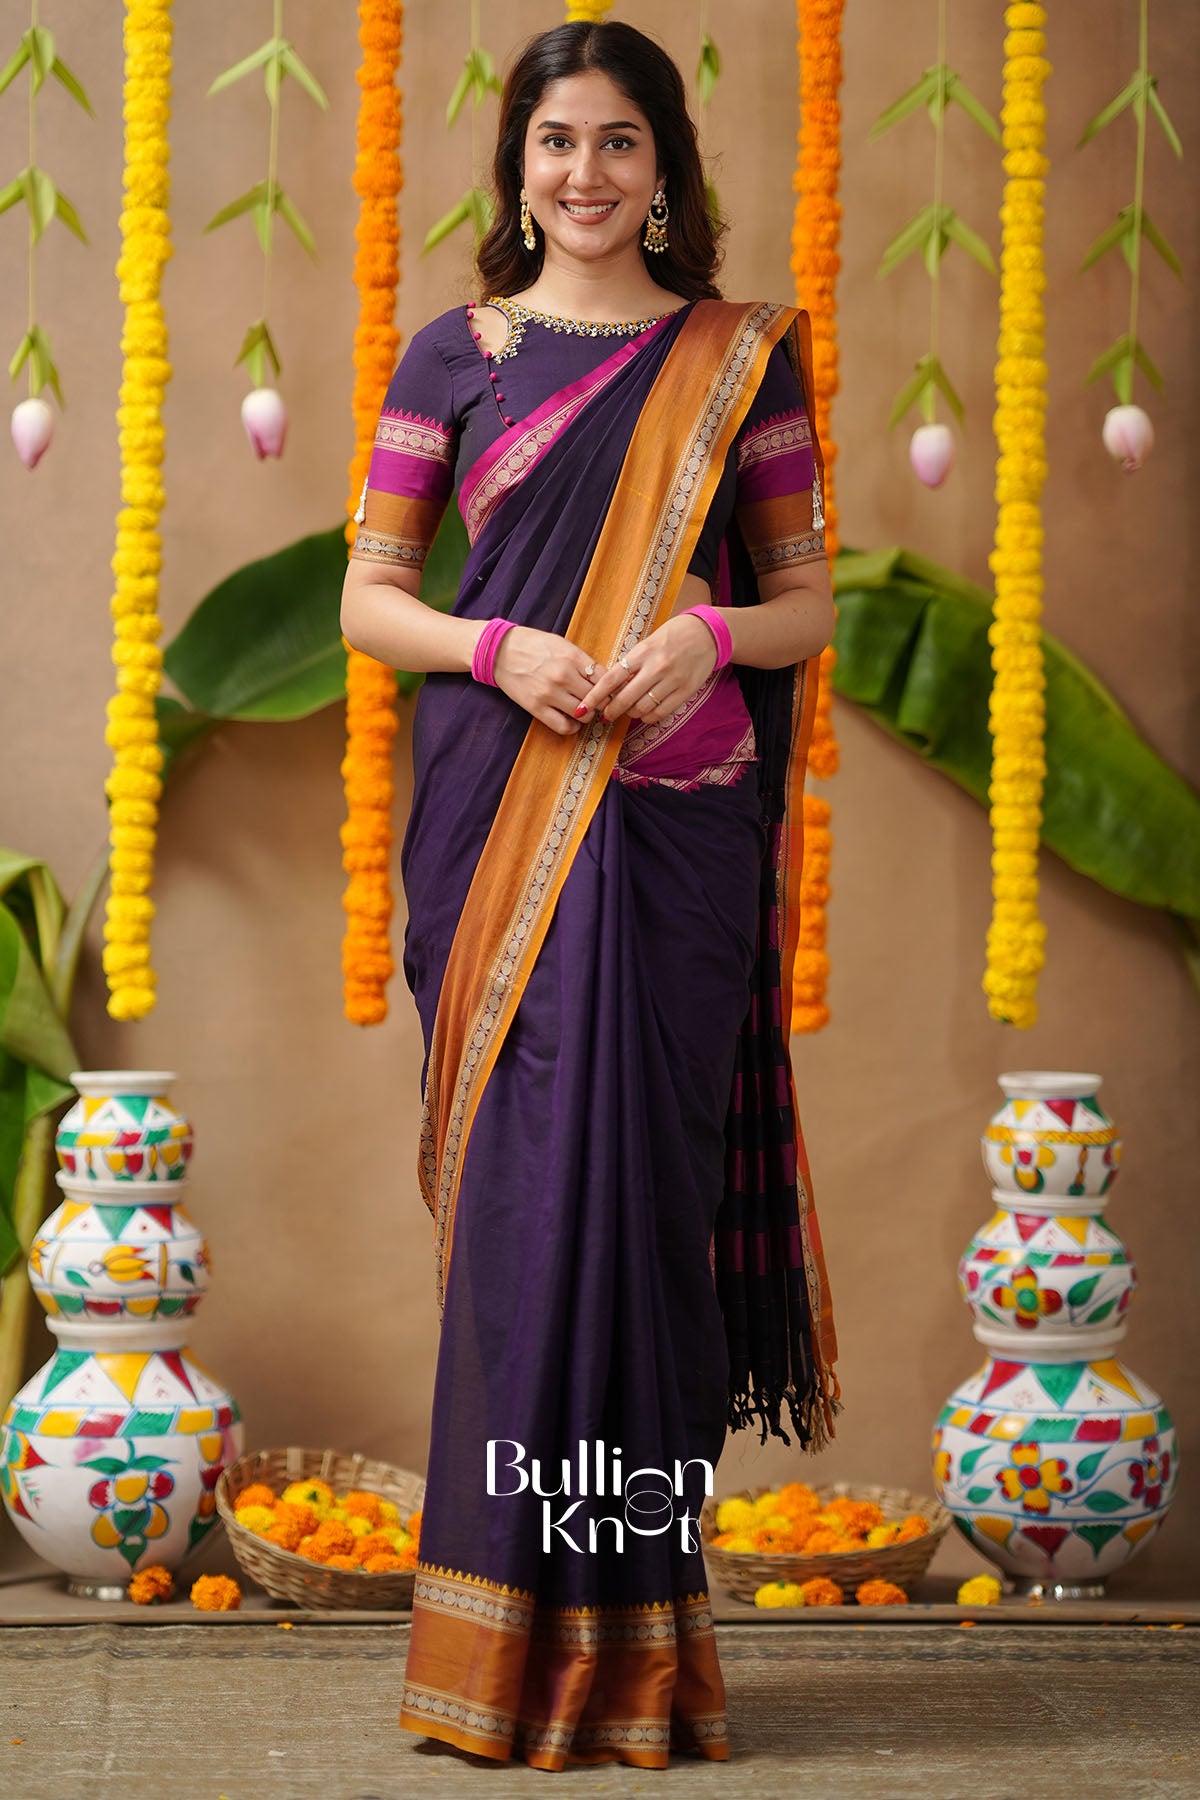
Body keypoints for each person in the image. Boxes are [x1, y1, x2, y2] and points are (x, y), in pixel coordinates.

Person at [340, 17, 842, 1774]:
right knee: (530, 1217)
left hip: (678, 826)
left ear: (665, 165)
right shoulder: (452, 356)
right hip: (502, 816)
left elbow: (806, 604)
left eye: (620, 142)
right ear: (517, 164)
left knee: (645, 1216)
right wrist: (498, 648)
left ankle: (638, 1659)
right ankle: (498, 1653)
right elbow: (372, 596)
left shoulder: (739, 359)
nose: (587, 174)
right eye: (558, 141)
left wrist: (708, 631)